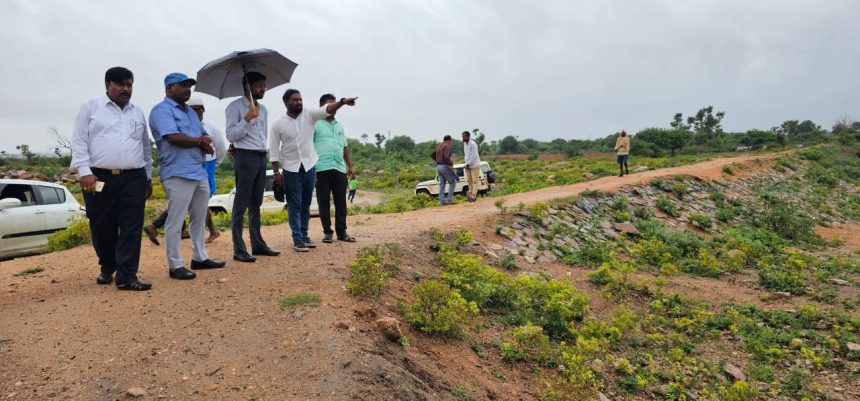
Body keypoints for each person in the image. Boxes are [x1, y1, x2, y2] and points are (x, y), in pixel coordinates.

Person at [70, 66, 153, 291]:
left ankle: (127, 276)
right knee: (101, 225)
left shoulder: (137, 112)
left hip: (134, 177)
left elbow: (145, 146)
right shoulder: (90, 107)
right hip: (99, 176)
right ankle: (108, 266)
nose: (126, 89)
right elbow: (78, 141)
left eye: (129, 85)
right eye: (120, 84)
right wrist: (85, 172)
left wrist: (147, 177)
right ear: (108, 86)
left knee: (132, 227)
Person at [149, 72, 226, 280]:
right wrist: (199, 141)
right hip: (177, 171)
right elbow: (172, 137)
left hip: (198, 170)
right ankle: (175, 265)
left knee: (199, 218)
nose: (187, 89)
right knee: (175, 220)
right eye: (182, 85)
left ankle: (200, 258)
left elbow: (202, 133)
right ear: (169, 88)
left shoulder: (190, 113)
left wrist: (206, 140)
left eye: (189, 86)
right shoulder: (161, 110)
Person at [269, 89, 358, 252]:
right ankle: (297, 238)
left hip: (309, 166)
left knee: (306, 204)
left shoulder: (309, 115)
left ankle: (304, 234)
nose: (299, 102)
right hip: (291, 168)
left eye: (300, 99)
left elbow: (328, 109)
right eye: (295, 100)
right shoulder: (278, 124)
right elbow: (274, 151)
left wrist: (343, 102)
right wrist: (276, 173)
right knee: (294, 204)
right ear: (286, 102)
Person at [142, 97, 226, 245]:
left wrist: (213, 165)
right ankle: (168, 230)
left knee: (198, 202)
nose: (195, 112)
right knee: (186, 201)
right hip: (183, 168)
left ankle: (160, 226)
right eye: (192, 109)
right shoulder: (180, 126)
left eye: (198, 109)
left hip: (207, 165)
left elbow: (220, 149)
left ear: (203, 110)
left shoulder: (211, 127)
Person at [225, 71, 279, 262]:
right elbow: (231, 135)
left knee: (256, 202)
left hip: (260, 156)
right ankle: (239, 249)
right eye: (259, 86)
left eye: (264, 85)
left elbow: (262, 135)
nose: (263, 89)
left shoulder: (263, 109)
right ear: (248, 86)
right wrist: (247, 118)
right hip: (245, 157)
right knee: (241, 204)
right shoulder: (235, 107)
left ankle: (257, 244)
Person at [313, 93, 356, 243]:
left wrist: (350, 166)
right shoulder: (315, 124)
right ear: (322, 107)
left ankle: (342, 232)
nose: (333, 107)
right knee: (323, 201)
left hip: (339, 168)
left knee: (341, 202)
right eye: (329, 104)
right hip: (321, 168)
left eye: (334, 104)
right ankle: (327, 232)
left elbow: (345, 147)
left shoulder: (339, 125)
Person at [434, 135, 457, 205]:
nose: (451, 143)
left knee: (442, 184)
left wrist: (438, 161)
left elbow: (432, 154)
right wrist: (450, 164)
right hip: (444, 166)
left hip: (438, 166)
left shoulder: (439, 146)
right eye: (451, 141)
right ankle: (449, 200)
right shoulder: (447, 146)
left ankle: (441, 201)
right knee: (452, 182)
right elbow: (446, 156)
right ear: (449, 140)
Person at [462, 130, 481, 202]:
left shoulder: (473, 144)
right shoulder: (465, 144)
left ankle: (473, 196)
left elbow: (474, 156)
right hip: (467, 165)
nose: (463, 138)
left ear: (468, 136)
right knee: (469, 181)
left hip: (474, 165)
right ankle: (470, 195)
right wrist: (466, 164)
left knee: (475, 181)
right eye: (462, 137)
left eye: (464, 137)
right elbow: (466, 155)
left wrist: (468, 164)